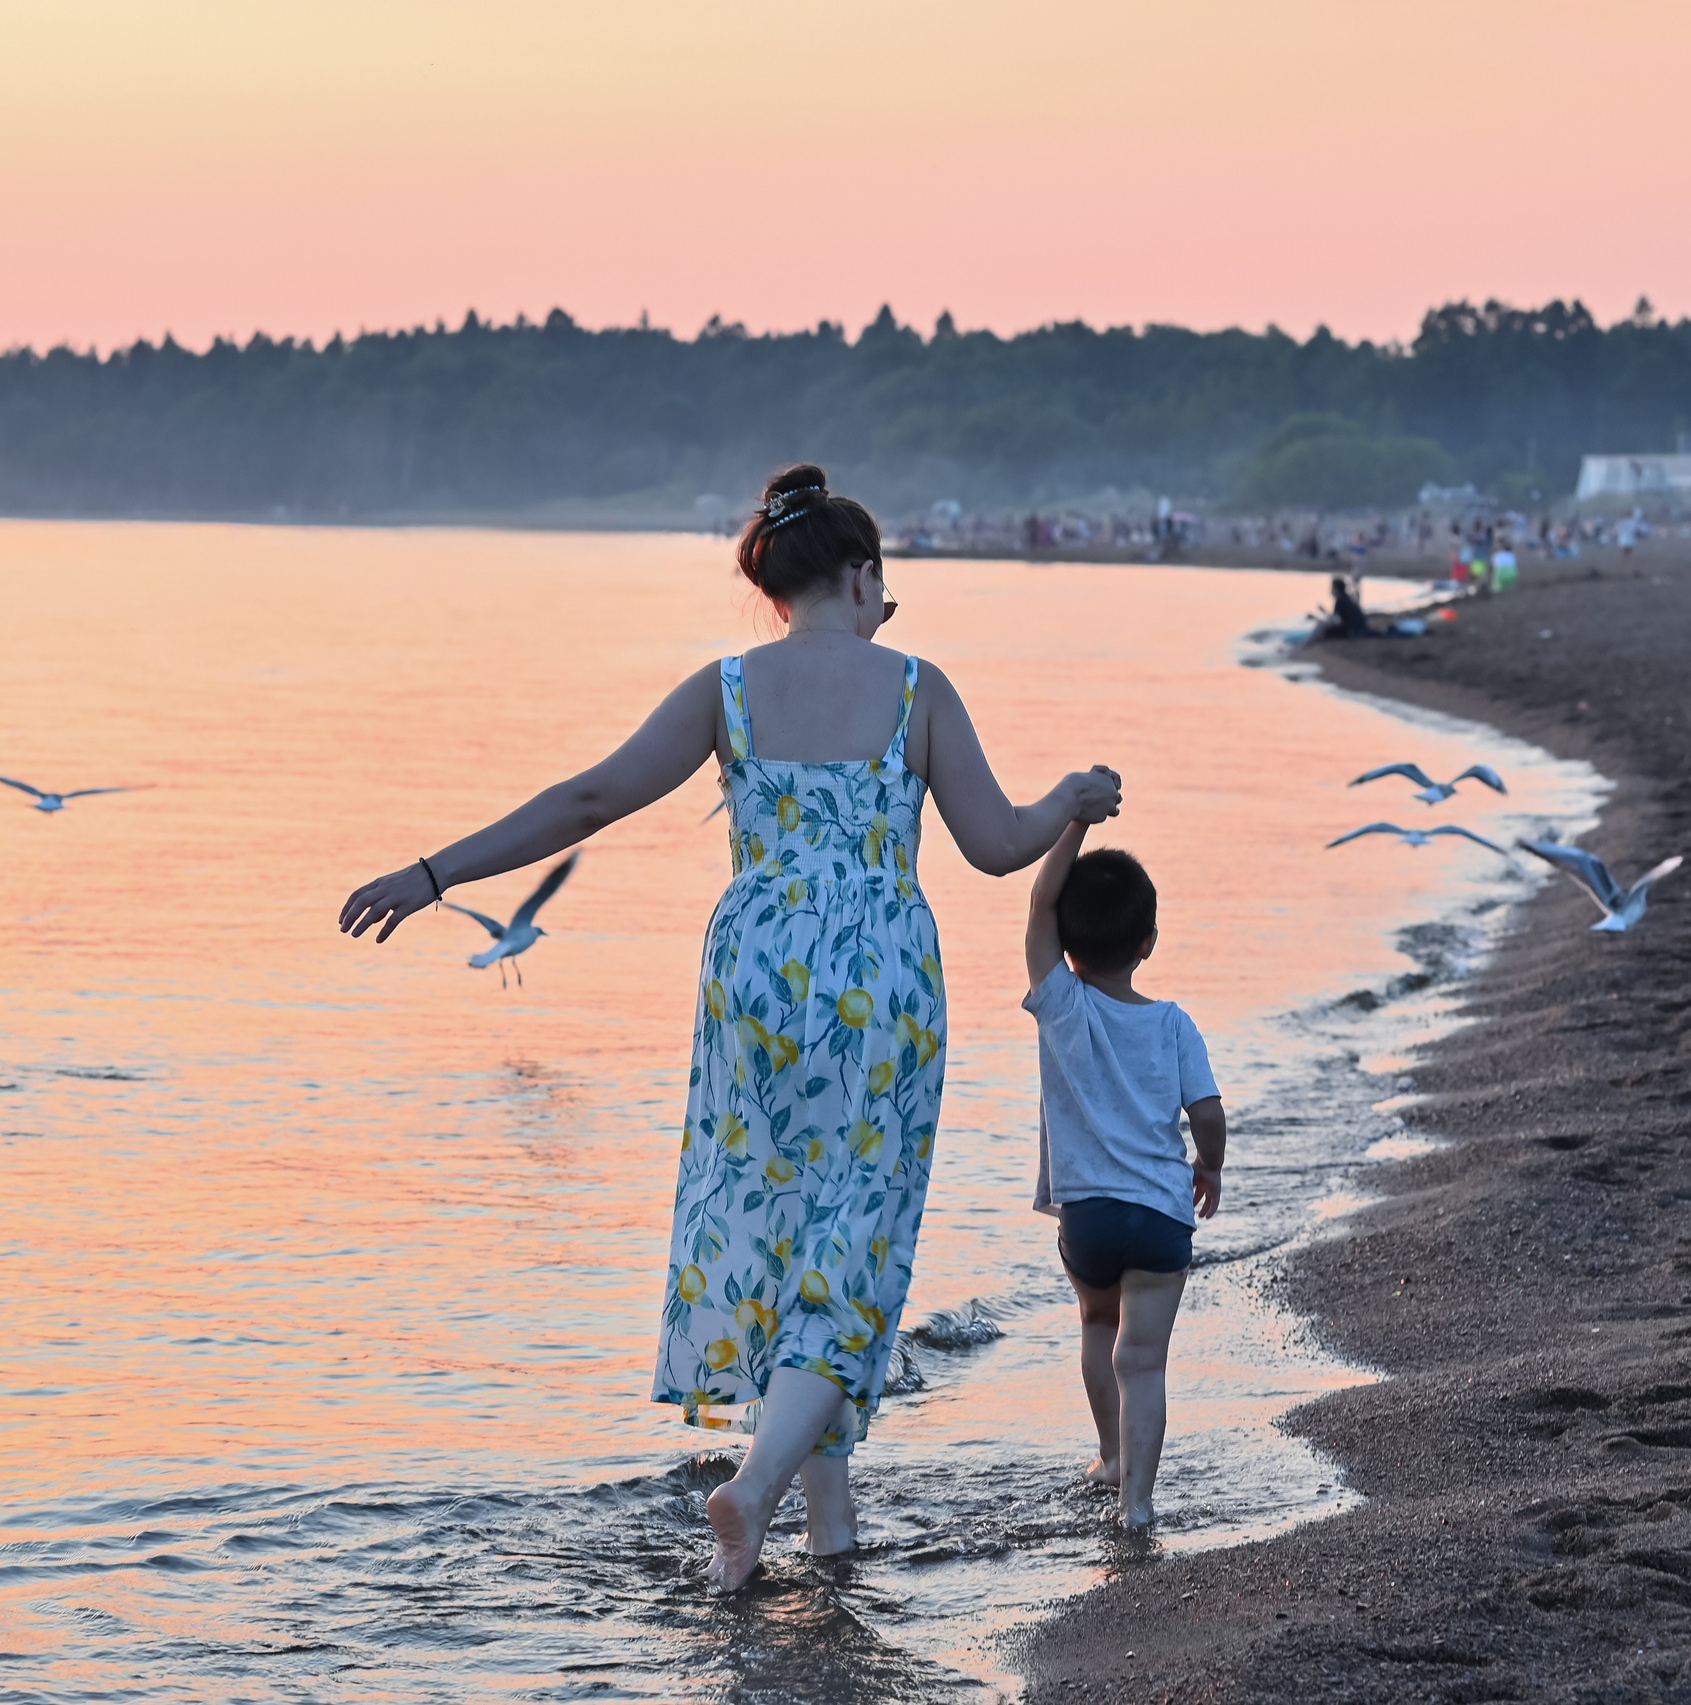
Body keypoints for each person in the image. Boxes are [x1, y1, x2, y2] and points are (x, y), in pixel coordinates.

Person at [337, 464, 1124, 1592]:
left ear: (774, 584)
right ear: (860, 577)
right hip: (878, 974)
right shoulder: (916, 687)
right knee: (854, 1252)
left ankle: (826, 1536)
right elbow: (998, 844)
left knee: (781, 1230)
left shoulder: (729, 688)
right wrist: (1071, 800)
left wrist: (431, 871)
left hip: (750, 974)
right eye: (880, 585)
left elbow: (589, 799)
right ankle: (751, 1490)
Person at [1022, 822, 1225, 1529]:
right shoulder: (1174, 1023)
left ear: (1066, 943)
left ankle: (1109, 1455)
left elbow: (1039, 903)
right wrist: (1211, 1166)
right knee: (1143, 1359)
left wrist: (1073, 822)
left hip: (1090, 1216)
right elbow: (1206, 1110)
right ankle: (1137, 1503)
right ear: (1149, 941)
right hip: (1163, 1215)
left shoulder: (1062, 1004)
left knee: (1096, 1322)